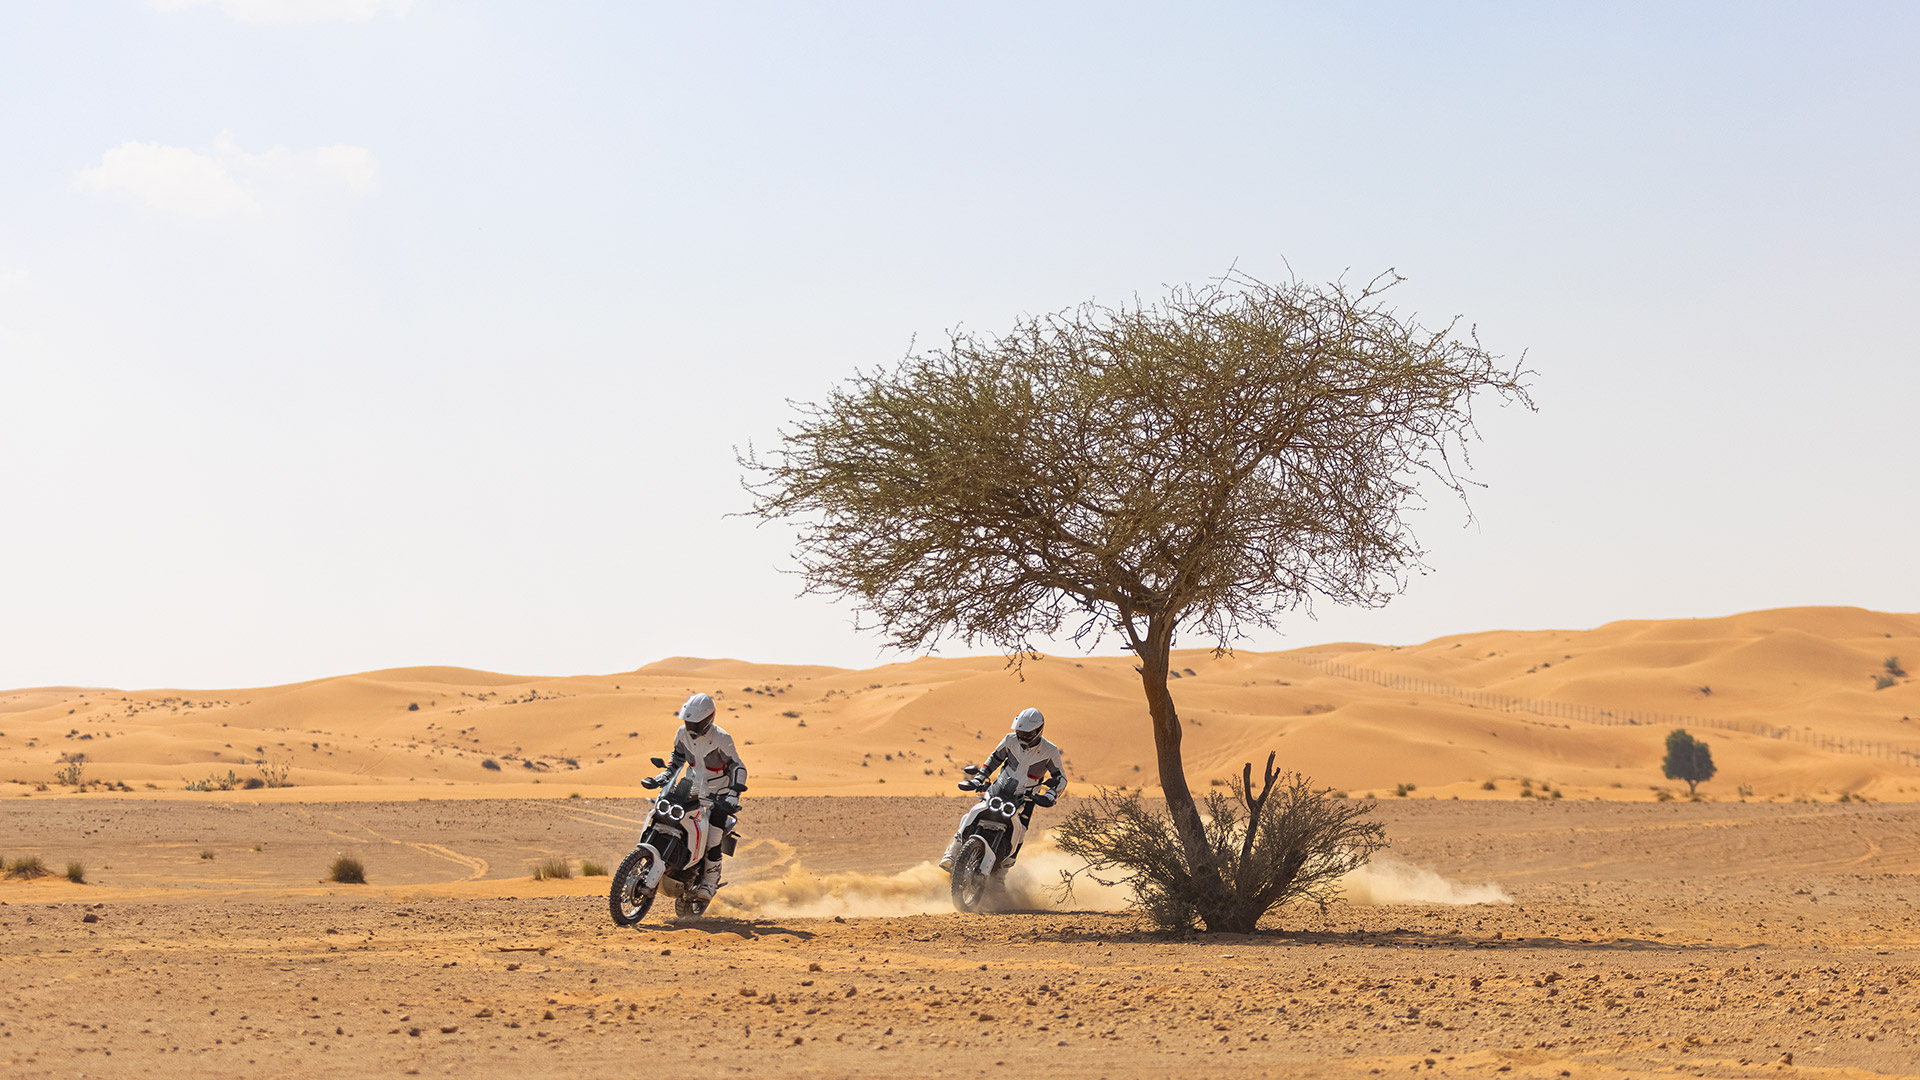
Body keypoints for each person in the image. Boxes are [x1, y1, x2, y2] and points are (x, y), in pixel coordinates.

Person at [642, 692, 747, 905]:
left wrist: (733, 794)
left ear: (708, 720)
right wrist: (665, 776)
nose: (691, 727)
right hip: (691, 786)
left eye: (695, 724)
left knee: (713, 836)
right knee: (667, 815)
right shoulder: (682, 733)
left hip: (719, 793)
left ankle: (709, 882)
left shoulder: (721, 738)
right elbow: (677, 758)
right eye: (688, 722)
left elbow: (738, 766)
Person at [941, 707, 1066, 871]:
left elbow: (1060, 778)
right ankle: (951, 854)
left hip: (1027, 797)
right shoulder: (1010, 740)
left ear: (1038, 731)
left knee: (1021, 829)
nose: (1021, 736)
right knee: (973, 813)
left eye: (1026, 734)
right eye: (1020, 732)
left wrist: (1050, 795)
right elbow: (994, 759)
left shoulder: (1050, 751)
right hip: (1000, 789)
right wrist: (979, 778)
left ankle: (1002, 872)